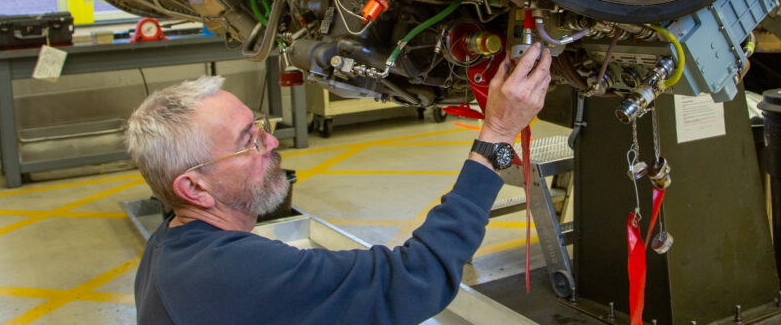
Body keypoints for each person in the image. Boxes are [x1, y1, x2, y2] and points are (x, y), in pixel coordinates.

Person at [126, 42, 552, 325]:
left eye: (260, 126)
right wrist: (496, 133)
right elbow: (413, 279)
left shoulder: (169, 247)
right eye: (248, 142)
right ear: (194, 188)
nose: (271, 141)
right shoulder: (234, 272)